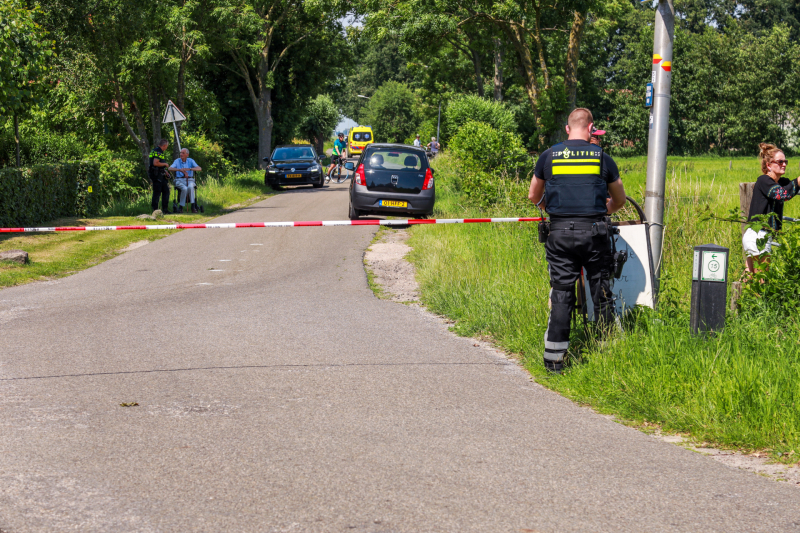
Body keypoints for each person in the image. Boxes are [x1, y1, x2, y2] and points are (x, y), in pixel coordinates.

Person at [527, 108, 627, 373]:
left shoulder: (549, 156)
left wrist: (548, 206)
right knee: (601, 292)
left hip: (559, 233)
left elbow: (533, 195)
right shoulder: (602, 158)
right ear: (591, 128)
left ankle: (554, 360)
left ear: (568, 128)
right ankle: (607, 355)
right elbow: (620, 199)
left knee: (561, 293)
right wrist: (605, 209)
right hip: (594, 233)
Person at [742, 142, 800, 273]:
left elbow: (791, 186)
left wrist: (796, 183)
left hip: (756, 235)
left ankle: (735, 294)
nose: (784, 164)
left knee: (749, 277)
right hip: (759, 236)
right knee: (762, 279)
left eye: (785, 161)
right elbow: (783, 195)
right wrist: (798, 181)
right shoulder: (764, 180)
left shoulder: (779, 182)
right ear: (768, 165)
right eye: (780, 162)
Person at [169, 148, 202, 213]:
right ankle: (181, 207)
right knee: (184, 188)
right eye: (181, 153)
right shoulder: (177, 161)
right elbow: (170, 168)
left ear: (187, 154)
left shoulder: (191, 160)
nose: (181, 154)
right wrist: (179, 170)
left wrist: (189, 169)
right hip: (179, 180)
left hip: (189, 179)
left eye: (183, 153)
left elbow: (199, 168)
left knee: (190, 187)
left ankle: (193, 206)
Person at [149, 139, 171, 214]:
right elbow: (155, 163)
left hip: (159, 173)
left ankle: (165, 210)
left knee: (166, 190)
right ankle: (155, 210)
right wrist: (165, 164)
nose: (166, 148)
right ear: (164, 145)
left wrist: (165, 171)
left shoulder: (154, 150)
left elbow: (156, 165)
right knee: (157, 192)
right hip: (156, 175)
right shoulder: (159, 151)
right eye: (166, 146)